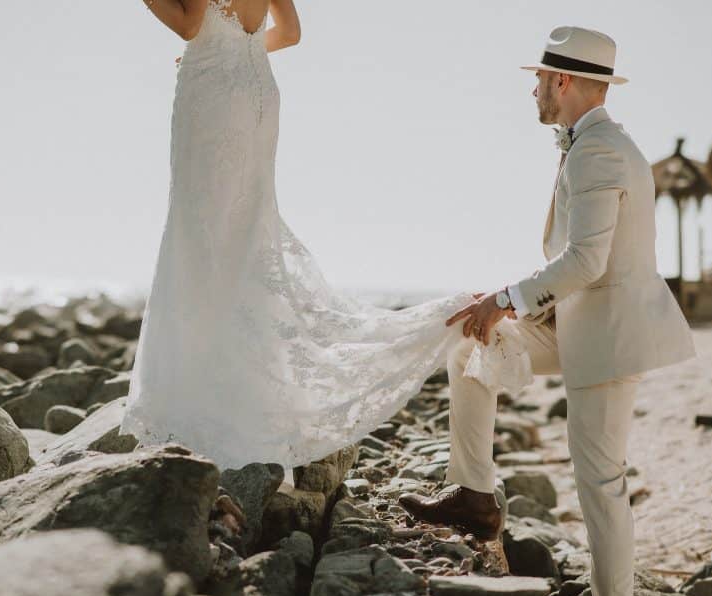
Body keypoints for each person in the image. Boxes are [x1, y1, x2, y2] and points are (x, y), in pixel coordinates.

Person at [398, 26, 696, 596]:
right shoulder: (589, 145)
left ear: (562, 82)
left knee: (601, 486)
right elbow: (584, 265)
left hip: (609, 337)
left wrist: (506, 296)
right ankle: (476, 495)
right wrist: (501, 307)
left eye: (539, 78)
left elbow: (587, 261)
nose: (533, 89)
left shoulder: (600, 153)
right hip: (574, 321)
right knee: (472, 342)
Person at [118, 0, 481, 471]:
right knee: (243, 236)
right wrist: (236, 48)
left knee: (200, 237)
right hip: (257, 92)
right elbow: (288, 33)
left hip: (215, 94)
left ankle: (201, 400)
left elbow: (190, 23)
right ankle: (241, 389)